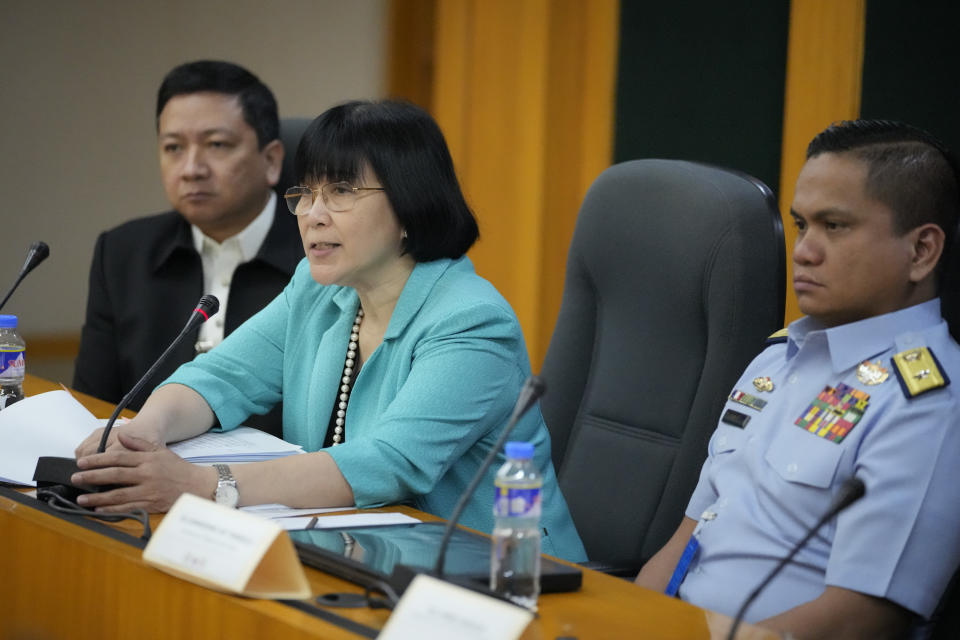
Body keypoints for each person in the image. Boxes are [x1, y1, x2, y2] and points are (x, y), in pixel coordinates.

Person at [71, 100, 587, 562]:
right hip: (355, 548)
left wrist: (203, 484)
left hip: (495, 577)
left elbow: (388, 463)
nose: (312, 216)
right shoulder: (321, 290)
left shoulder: (471, 322)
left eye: (340, 192)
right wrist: (144, 433)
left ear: (410, 206)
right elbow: (221, 376)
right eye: (305, 194)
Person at [635, 119, 960, 638]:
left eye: (835, 226)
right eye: (802, 224)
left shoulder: (927, 400)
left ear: (921, 251)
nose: (804, 250)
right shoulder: (776, 361)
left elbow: (862, 619)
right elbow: (684, 543)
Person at [72, 60, 302, 437]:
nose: (191, 168)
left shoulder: (319, 257)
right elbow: (92, 405)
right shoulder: (123, 254)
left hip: (282, 484)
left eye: (216, 145)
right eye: (173, 147)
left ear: (272, 160)